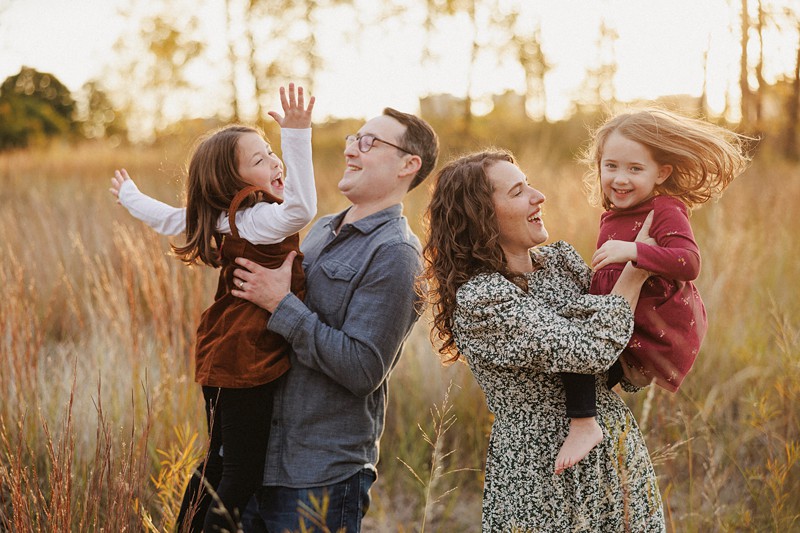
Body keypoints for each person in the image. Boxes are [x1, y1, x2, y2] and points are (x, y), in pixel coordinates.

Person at [421, 149, 665, 531]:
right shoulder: (482, 299)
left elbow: (615, 346)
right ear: (481, 217)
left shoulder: (561, 261)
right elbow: (591, 350)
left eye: (529, 184)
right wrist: (635, 272)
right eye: (518, 192)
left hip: (615, 450)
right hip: (542, 467)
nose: (539, 196)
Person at [109, 84, 316, 532]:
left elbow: (166, 216)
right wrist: (297, 136)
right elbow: (302, 209)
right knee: (242, 473)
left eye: (271, 150)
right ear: (234, 182)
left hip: (221, 353)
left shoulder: (224, 217)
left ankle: (187, 525)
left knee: (218, 462)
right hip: (245, 358)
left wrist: (129, 196)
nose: (274, 160)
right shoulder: (258, 220)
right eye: (260, 159)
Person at [221, 108, 439, 532]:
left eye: (369, 142)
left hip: (318, 475)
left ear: (407, 165)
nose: (351, 149)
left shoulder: (395, 253)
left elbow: (362, 368)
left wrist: (280, 303)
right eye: (354, 137)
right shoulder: (321, 228)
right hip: (256, 462)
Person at [554, 108, 751, 475]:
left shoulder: (665, 208)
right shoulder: (612, 213)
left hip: (654, 331)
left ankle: (584, 424)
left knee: (574, 346)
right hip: (623, 323)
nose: (620, 179)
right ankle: (581, 426)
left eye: (635, 169)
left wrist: (635, 252)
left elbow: (689, 262)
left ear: (661, 173)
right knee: (567, 344)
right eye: (610, 166)